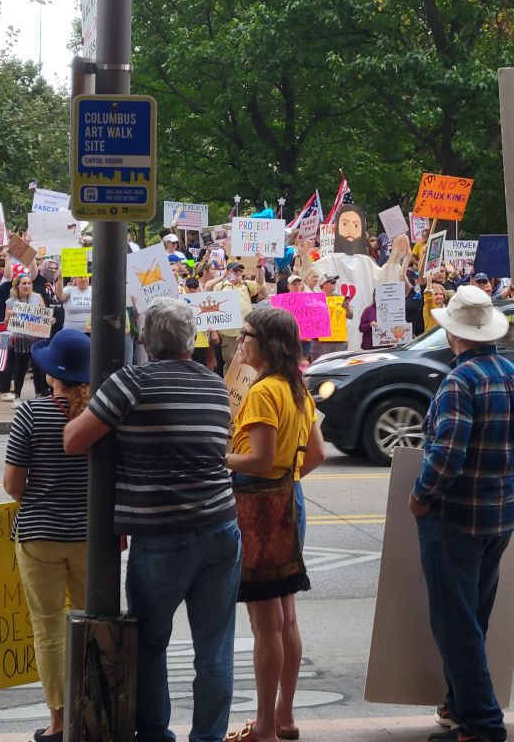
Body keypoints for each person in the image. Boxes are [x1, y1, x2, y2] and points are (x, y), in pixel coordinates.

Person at [63, 297, 241, 742]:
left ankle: (155, 735)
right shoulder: (216, 385)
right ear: (190, 341)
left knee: (148, 644)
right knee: (214, 651)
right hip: (221, 526)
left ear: (144, 340)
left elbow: (73, 440)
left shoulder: (131, 383)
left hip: (163, 536)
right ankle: (208, 738)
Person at [409, 285, 514, 742]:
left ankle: (481, 725)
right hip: (500, 515)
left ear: (453, 335)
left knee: (455, 625)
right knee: (473, 617)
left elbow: (446, 454)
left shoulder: (460, 382)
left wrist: (421, 495)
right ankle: (462, 711)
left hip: (456, 518)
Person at [226, 307, 325, 742]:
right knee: (285, 617)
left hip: (259, 505)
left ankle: (265, 725)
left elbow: (259, 459)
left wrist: (218, 458)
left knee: (265, 622)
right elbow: (316, 455)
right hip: (289, 496)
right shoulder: (296, 387)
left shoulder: (264, 392)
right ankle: (283, 715)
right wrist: (290, 474)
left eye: (245, 334)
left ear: (264, 342)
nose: (239, 341)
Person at [2, 330, 91, 742]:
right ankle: (93, 711)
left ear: (52, 373)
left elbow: (12, 485)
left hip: (39, 535)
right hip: (91, 536)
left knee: (49, 627)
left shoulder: (30, 414)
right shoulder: (102, 416)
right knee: (94, 623)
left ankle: (59, 722)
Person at [207, 261, 266, 366]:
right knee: (230, 361)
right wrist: (214, 331)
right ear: (228, 271)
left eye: (240, 270)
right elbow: (208, 289)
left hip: (246, 331)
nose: (238, 272)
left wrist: (258, 266)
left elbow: (259, 282)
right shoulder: (220, 287)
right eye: (235, 270)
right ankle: (229, 382)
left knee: (248, 360)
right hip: (229, 333)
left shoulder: (247, 285)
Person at [4, 273, 48, 407]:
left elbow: (44, 316)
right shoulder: (11, 302)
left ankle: (39, 395)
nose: (27, 285)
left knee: (38, 368)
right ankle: (17, 396)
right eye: (24, 283)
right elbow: (6, 324)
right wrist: (8, 316)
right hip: (20, 339)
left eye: (29, 283)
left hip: (36, 338)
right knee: (20, 368)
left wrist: (50, 320)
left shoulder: (37, 297)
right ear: (17, 286)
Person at [309, 275, 353, 361]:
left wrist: (347, 308)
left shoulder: (341, 298)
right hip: (320, 342)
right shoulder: (314, 299)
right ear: (323, 284)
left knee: (338, 367)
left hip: (338, 340)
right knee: (320, 368)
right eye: (331, 282)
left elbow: (350, 316)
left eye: (334, 282)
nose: (334, 284)